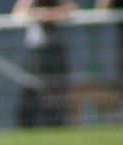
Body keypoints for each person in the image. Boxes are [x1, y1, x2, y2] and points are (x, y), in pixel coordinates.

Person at [12, 0, 77, 128]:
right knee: (31, 92)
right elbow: (17, 14)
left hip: (55, 51)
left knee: (56, 93)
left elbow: (73, 8)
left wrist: (56, 13)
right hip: (36, 52)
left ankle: (56, 125)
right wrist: (37, 13)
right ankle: (27, 127)